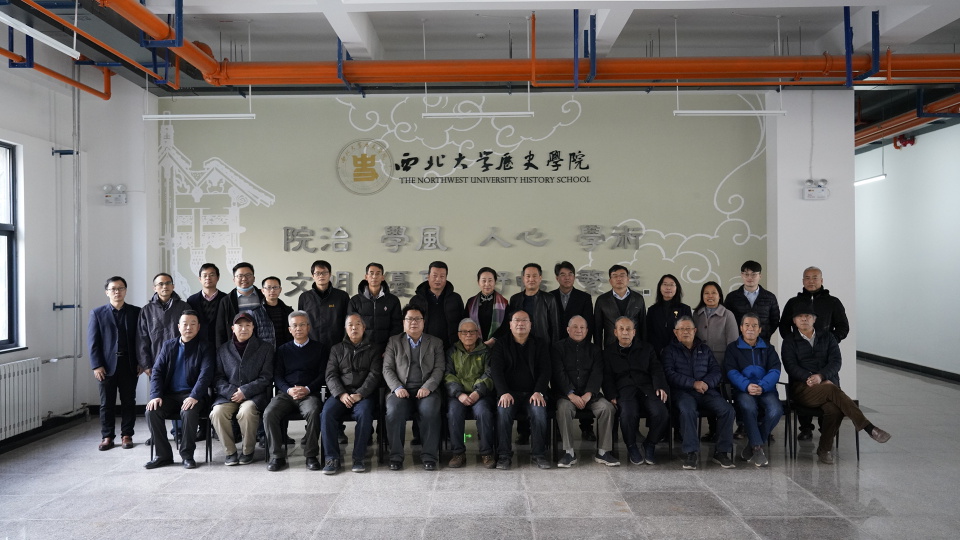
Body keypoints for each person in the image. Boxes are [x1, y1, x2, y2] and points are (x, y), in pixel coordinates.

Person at [781, 304, 891, 464]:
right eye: (800, 316)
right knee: (832, 389)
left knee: (834, 409)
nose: (804, 319)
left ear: (814, 319)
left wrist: (821, 376)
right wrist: (810, 377)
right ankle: (869, 427)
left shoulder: (828, 337)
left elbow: (836, 362)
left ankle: (824, 449)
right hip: (803, 389)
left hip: (826, 384)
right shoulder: (789, 340)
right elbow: (790, 366)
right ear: (794, 321)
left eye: (808, 316)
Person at [778, 267, 851, 442]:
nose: (811, 281)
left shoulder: (833, 302)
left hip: (824, 359)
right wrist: (794, 342)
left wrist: (830, 341)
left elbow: (843, 326)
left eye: (815, 278)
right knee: (803, 388)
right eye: (807, 278)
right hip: (801, 359)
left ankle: (826, 429)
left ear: (822, 280)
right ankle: (805, 428)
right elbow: (783, 325)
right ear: (803, 281)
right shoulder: (793, 302)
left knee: (829, 394)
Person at [661, 316, 736, 470]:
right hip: (683, 392)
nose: (685, 332)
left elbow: (716, 371)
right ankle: (691, 453)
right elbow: (669, 374)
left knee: (727, 410)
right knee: (688, 410)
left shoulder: (704, 349)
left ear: (695, 331)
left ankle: (721, 452)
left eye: (689, 328)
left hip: (706, 391)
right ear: (675, 332)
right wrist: (692, 383)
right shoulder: (669, 351)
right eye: (682, 329)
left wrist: (706, 383)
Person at [143, 310, 214, 470]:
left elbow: (206, 374)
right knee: (151, 411)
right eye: (185, 324)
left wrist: (194, 396)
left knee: (188, 412)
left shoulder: (205, 347)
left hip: (194, 396)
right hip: (170, 396)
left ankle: (187, 455)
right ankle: (163, 455)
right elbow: (157, 371)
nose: (188, 327)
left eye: (193, 324)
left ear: (198, 327)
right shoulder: (169, 345)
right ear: (178, 327)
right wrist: (155, 395)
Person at [382, 305, 445, 471]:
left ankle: (429, 457)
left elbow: (439, 369)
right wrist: (397, 387)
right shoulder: (394, 341)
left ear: (424, 322)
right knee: (394, 412)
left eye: (418, 319)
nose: (414, 322)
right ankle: (396, 457)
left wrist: (428, 387)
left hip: (426, 390)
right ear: (403, 322)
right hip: (401, 389)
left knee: (430, 411)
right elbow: (387, 368)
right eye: (409, 319)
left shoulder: (436, 342)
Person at [263, 311, 327, 472]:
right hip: (286, 393)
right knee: (269, 413)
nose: (298, 328)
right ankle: (277, 456)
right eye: (295, 325)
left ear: (308, 327)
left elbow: (323, 375)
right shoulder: (282, 350)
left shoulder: (320, 349)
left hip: (309, 393)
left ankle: (311, 455)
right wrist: (289, 389)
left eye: (302, 325)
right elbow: (277, 376)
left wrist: (307, 389)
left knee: (314, 411)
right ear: (290, 329)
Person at [489, 310, 552, 470]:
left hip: (533, 393)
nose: (520, 323)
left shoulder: (540, 343)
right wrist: (503, 392)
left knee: (539, 412)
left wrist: (539, 391)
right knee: (503, 412)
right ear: (510, 325)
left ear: (530, 325)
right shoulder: (501, 344)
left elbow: (545, 370)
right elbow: (496, 371)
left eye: (524, 320)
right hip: (509, 393)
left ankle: (539, 454)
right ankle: (504, 456)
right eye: (516, 320)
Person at [210, 312, 275, 466]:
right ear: (233, 328)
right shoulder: (223, 349)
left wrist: (245, 391)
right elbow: (217, 378)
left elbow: (266, 377)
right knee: (217, 412)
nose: (244, 329)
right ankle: (230, 452)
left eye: (248, 325)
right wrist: (232, 392)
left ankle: (247, 451)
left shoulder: (265, 348)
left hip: (254, 395)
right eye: (240, 325)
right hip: (228, 395)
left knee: (246, 412)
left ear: (253, 328)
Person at [553, 316, 618, 467]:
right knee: (563, 409)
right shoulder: (558, 348)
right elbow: (558, 373)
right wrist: (571, 394)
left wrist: (589, 394)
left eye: (582, 327)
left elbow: (597, 373)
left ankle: (603, 452)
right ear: (568, 329)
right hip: (567, 396)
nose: (579, 330)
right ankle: (569, 453)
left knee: (607, 408)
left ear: (587, 331)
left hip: (590, 395)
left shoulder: (595, 349)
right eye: (575, 327)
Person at [602, 317, 669, 466]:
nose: (625, 332)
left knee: (661, 412)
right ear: (615, 332)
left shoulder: (647, 348)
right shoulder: (608, 352)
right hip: (624, 390)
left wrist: (660, 386)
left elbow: (656, 369)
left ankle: (650, 444)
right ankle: (631, 446)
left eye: (628, 329)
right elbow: (607, 376)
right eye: (621, 329)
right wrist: (611, 395)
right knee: (628, 414)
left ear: (634, 332)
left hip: (647, 388)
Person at [320, 314, 381, 474]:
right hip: (341, 394)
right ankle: (331, 458)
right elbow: (330, 375)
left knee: (364, 413)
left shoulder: (374, 349)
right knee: (327, 413)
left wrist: (360, 393)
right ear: (346, 329)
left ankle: (359, 458)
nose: (354, 328)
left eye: (358, 324)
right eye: (350, 325)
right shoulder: (336, 349)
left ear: (364, 327)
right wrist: (341, 394)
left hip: (363, 395)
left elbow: (375, 375)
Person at [88, 276, 141, 451]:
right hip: (105, 366)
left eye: (120, 288)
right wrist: (96, 365)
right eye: (113, 289)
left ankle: (127, 435)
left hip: (129, 364)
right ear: (107, 292)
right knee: (106, 403)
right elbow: (93, 342)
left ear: (125, 290)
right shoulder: (97, 313)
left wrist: (141, 362)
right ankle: (107, 436)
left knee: (129, 401)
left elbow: (141, 340)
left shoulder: (136, 312)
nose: (117, 292)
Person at [725, 313, 783, 467]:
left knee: (776, 410)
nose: (750, 328)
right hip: (744, 390)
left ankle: (753, 443)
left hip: (766, 389)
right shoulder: (733, 348)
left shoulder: (768, 348)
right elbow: (731, 371)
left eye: (754, 326)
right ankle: (757, 448)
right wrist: (746, 385)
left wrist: (762, 386)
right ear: (741, 328)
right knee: (749, 407)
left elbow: (775, 370)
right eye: (747, 325)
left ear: (759, 329)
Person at [444, 318, 495, 468]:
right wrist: (459, 394)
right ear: (459, 335)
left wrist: (477, 392)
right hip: (458, 395)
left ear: (478, 334)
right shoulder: (452, 351)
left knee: (483, 412)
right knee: (454, 412)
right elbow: (448, 375)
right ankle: (458, 453)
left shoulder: (486, 351)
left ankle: (486, 453)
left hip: (480, 394)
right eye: (464, 332)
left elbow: (489, 374)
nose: (468, 335)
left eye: (472, 332)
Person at [692, 281, 738, 442]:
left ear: (719, 296)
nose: (710, 296)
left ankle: (721, 432)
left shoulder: (728, 315)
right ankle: (712, 430)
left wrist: (728, 366)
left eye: (713, 293)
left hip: (721, 362)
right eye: (706, 293)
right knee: (707, 395)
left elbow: (732, 343)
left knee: (720, 397)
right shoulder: (696, 314)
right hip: (700, 364)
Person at [137, 272, 189, 375]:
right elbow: (142, 339)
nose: (165, 286)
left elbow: (190, 334)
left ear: (173, 286)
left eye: (168, 283)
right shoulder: (147, 310)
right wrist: (146, 365)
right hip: (155, 361)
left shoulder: (184, 307)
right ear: (154, 288)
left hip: (180, 360)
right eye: (160, 284)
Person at [215, 262, 275, 346]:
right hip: (237, 346)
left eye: (248, 275)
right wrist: (221, 350)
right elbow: (220, 329)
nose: (244, 279)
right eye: (240, 276)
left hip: (262, 345)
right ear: (234, 279)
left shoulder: (264, 296)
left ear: (254, 278)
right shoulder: (226, 301)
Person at [411, 260, 465, 350]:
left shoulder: (455, 298)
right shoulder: (416, 300)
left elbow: (463, 322)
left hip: (451, 347)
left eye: (442, 276)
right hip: (423, 347)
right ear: (428, 277)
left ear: (446, 278)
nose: (438, 279)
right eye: (434, 276)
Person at [298, 259, 350, 349]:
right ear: (312, 276)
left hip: (336, 346)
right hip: (311, 345)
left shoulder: (342, 296)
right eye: (317, 273)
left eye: (324, 273)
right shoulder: (304, 297)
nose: (321, 276)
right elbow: (301, 322)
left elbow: (348, 321)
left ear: (330, 274)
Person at [724, 260, 780, 343]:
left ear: (760, 276)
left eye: (753, 274)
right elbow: (727, 320)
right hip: (738, 342)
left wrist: (765, 334)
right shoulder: (732, 297)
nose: (750, 278)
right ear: (741, 275)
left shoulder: (770, 297)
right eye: (746, 274)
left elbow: (775, 320)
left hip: (763, 342)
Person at [348, 262, 402, 348]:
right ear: (366, 277)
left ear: (382, 277)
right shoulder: (355, 300)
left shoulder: (392, 300)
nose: (374, 277)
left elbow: (397, 326)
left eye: (378, 274)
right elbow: (350, 326)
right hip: (362, 348)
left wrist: (390, 348)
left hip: (386, 348)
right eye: (371, 273)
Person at [594, 264, 646, 349]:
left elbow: (643, 325)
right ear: (610, 281)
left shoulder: (638, 298)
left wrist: (644, 348)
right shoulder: (602, 300)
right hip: (611, 346)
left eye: (622, 275)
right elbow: (597, 329)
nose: (619, 279)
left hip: (635, 347)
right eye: (615, 276)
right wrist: (598, 350)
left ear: (628, 279)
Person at [508, 263, 560, 344]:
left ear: (540, 278)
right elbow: (511, 324)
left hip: (542, 344)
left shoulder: (549, 299)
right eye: (528, 276)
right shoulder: (515, 299)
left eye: (534, 276)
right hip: (520, 344)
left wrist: (554, 347)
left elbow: (555, 326)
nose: (531, 279)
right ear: (523, 278)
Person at [646, 274, 693, 354]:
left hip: (679, 353)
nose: (668, 288)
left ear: (677, 288)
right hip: (657, 353)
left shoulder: (685, 309)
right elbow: (649, 333)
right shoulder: (652, 310)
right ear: (660, 288)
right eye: (665, 284)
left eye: (671, 285)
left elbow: (688, 332)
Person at [463, 266, 509, 347]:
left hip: (498, 345)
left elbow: (506, 325)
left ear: (495, 282)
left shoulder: (504, 303)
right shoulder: (471, 302)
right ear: (478, 282)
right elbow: (466, 323)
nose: (487, 284)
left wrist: (493, 340)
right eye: (483, 281)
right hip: (475, 345)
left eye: (490, 280)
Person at [186, 263, 227, 351]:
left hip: (221, 345)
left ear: (218, 278)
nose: (208, 278)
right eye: (205, 275)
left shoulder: (226, 299)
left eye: (212, 275)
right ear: (200, 279)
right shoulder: (192, 300)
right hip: (198, 346)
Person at [551, 261, 594, 340]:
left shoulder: (584, 298)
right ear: (557, 278)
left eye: (570, 274)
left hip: (577, 343)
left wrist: (584, 345)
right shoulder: (550, 297)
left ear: (574, 277)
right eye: (563, 275)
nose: (567, 278)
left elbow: (589, 324)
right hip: (554, 343)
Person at [261, 276, 294, 347]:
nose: (272, 290)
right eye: (269, 287)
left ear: (280, 289)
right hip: (265, 350)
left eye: (275, 287)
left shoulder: (288, 311)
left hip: (285, 349)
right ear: (263, 290)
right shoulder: (256, 312)